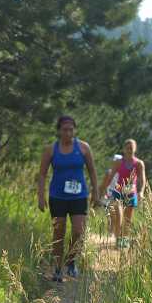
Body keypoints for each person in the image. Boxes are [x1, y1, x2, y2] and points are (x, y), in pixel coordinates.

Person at [37, 116, 99, 282]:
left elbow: (92, 171)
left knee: (79, 231)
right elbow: (42, 174)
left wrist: (96, 192)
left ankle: (71, 261)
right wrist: (40, 196)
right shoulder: (51, 150)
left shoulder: (83, 148)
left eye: (71, 130)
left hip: (79, 195)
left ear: (74, 130)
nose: (68, 133)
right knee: (59, 231)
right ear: (59, 131)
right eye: (65, 130)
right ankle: (57, 268)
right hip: (58, 196)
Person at [101, 139, 146, 249]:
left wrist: (141, 191)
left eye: (131, 148)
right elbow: (110, 176)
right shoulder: (118, 162)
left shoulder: (138, 163)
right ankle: (118, 240)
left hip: (131, 193)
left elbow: (142, 179)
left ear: (135, 149)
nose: (129, 150)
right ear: (124, 149)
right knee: (118, 216)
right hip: (118, 193)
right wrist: (104, 189)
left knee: (127, 220)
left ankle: (124, 241)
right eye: (127, 148)